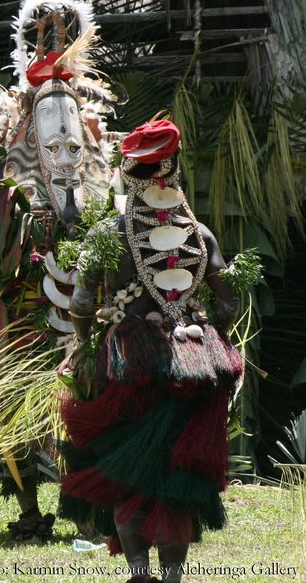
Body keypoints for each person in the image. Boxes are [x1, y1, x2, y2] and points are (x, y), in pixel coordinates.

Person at [57, 120, 244, 583]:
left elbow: (80, 302)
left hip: (127, 367)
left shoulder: (109, 233)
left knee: (129, 469)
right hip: (194, 371)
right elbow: (229, 303)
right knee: (176, 476)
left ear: (128, 173)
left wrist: (84, 340)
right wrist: (199, 331)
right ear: (174, 169)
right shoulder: (201, 235)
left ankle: (139, 571)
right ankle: (172, 578)